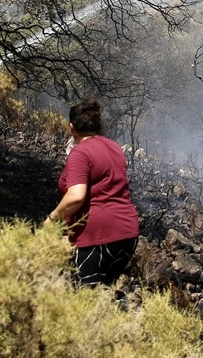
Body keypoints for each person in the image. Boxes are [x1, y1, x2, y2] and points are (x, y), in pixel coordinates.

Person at [48, 98, 140, 287]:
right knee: (103, 293)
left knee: (85, 297)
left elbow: (76, 196)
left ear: (71, 128)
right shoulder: (114, 147)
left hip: (98, 234)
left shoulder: (80, 153)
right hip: (128, 235)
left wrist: (51, 221)